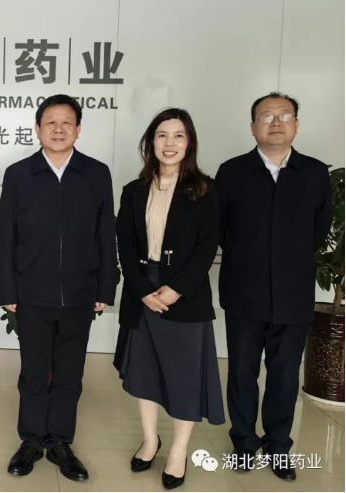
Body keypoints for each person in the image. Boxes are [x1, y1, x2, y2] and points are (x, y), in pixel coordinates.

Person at [0, 94, 117, 481]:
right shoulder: (19, 174)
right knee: (33, 373)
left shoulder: (96, 174)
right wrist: (7, 290)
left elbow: (105, 234)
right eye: (51, 122)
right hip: (31, 295)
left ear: (78, 129)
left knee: (69, 375)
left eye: (67, 122)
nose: (58, 129)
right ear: (38, 129)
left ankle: (61, 442)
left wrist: (105, 287)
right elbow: (7, 236)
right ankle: (31, 441)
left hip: (80, 294)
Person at [216, 92, 332, 481]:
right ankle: (244, 443)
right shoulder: (232, 172)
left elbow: (318, 230)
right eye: (267, 116)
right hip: (243, 291)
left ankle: (278, 446)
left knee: (284, 375)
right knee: (242, 372)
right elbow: (220, 228)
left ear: (296, 124)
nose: (276, 122)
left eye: (285, 115)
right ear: (253, 127)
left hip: (293, 293)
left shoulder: (314, 173)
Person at [114, 108, 224, 490]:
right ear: (151, 142)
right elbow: (125, 243)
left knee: (184, 376)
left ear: (189, 142)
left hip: (185, 294)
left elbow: (207, 246)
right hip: (142, 290)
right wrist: (142, 289)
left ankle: (178, 451)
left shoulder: (205, 190)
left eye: (178, 135)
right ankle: (150, 440)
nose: (170, 143)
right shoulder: (133, 190)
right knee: (143, 371)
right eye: (162, 135)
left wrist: (176, 289)